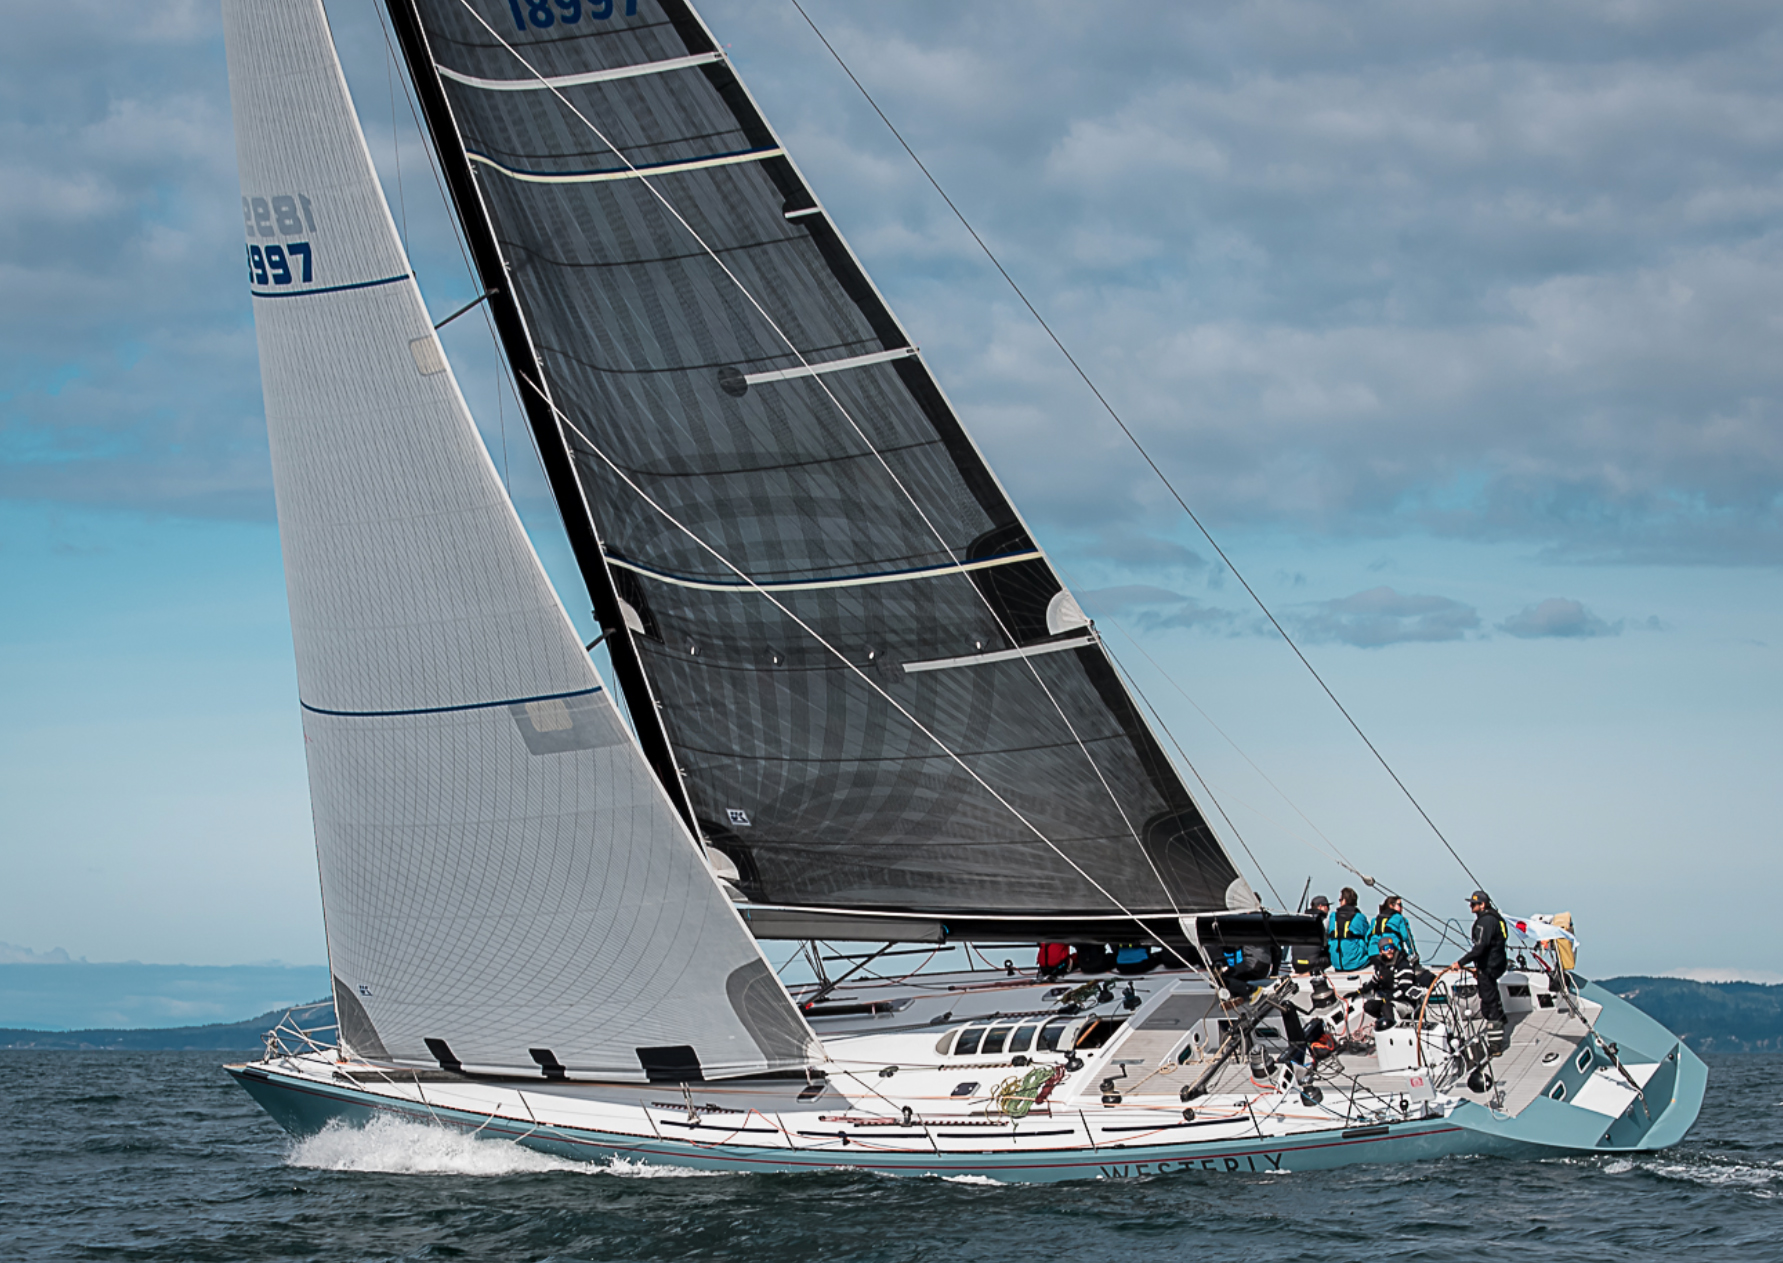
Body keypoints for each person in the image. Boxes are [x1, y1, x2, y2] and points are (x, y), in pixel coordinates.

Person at [1454, 890, 1509, 1044]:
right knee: (1492, 994)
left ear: (1482, 904)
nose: (1470, 906)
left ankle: (1496, 1044)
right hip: (1497, 964)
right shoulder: (1496, 918)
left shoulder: (1485, 922)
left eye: (1473, 903)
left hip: (1489, 966)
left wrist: (1461, 963)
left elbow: (1480, 948)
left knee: (1489, 1003)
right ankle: (1502, 1019)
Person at [1358, 939, 1421, 1030]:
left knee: (1387, 1007)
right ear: (1380, 952)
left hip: (1405, 1003)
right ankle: (1384, 1021)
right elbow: (1373, 982)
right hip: (1388, 1000)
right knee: (1369, 1006)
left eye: (1391, 947)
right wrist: (1358, 991)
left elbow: (1404, 989)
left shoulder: (1403, 965)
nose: (1389, 950)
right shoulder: (1382, 966)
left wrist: (1385, 1000)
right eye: (1386, 948)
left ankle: (1395, 1028)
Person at [1327, 887, 1372, 972]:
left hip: (1336, 963)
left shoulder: (1333, 917)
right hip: (1356, 963)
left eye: (1340, 900)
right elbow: (1369, 936)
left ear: (1344, 900)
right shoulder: (1360, 917)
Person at [1292, 896, 1331, 973]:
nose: (1328, 909)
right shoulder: (1323, 921)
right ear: (1320, 906)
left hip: (1296, 965)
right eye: (1327, 906)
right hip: (1312, 965)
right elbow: (1325, 943)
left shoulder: (1301, 918)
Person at [1372, 895, 1417, 962]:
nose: (1402, 908)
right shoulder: (1400, 918)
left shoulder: (1375, 919)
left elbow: (1368, 937)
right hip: (1392, 953)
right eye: (1400, 905)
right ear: (1391, 906)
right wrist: (1413, 953)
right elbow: (1406, 937)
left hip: (1374, 954)